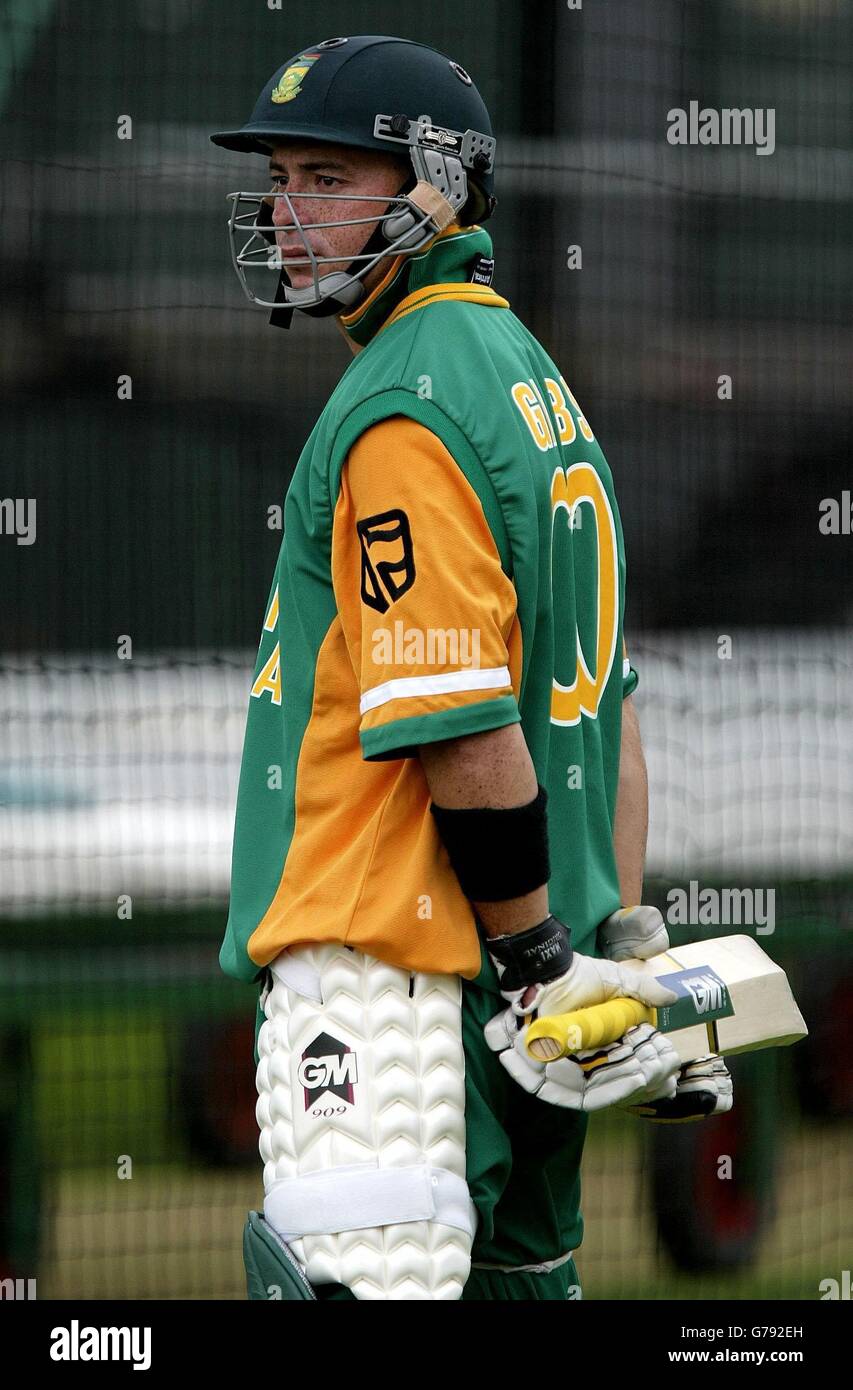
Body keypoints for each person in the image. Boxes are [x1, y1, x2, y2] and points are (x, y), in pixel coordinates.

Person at [211, 33, 732, 1303]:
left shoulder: (404, 404)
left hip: (404, 982)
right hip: (529, 997)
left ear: (436, 187)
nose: (287, 213)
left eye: (327, 178)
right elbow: (612, 713)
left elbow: (458, 724)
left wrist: (535, 962)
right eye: (281, 177)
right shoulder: (532, 380)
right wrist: (619, 939)